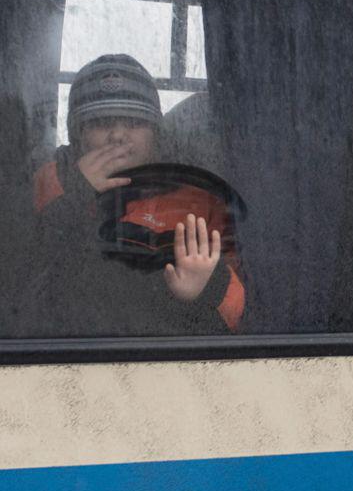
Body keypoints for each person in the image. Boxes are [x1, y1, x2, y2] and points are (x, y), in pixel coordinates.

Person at [22, 54, 245, 336]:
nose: (118, 135)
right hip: (57, 349)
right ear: (77, 134)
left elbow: (245, 315)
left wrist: (209, 286)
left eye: (134, 122)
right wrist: (78, 191)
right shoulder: (50, 180)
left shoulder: (196, 202)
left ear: (156, 133)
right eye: (102, 123)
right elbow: (24, 270)